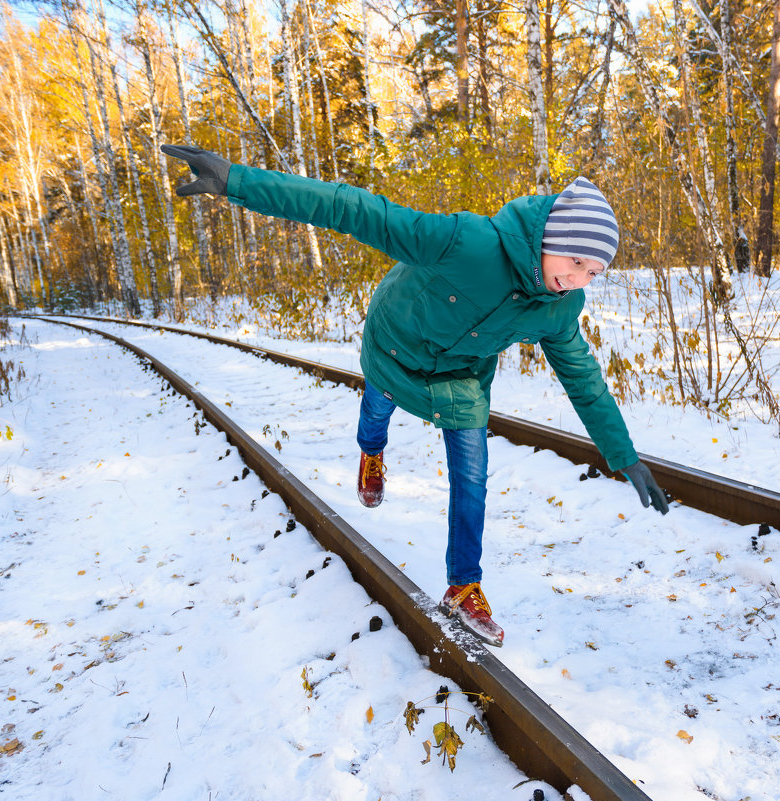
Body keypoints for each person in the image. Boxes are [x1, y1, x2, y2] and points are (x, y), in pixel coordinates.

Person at [162, 143, 669, 646]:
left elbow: (583, 378)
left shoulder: (558, 307)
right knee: (376, 411)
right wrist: (237, 182)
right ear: (549, 236)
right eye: (576, 260)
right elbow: (353, 208)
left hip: (460, 376)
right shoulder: (468, 241)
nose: (577, 280)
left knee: (472, 472)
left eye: (593, 273)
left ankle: (463, 585)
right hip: (396, 344)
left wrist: (623, 456)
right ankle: (371, 453)